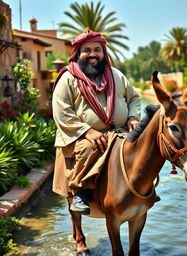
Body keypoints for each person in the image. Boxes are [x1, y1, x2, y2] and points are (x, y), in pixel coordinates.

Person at [52, 30, 141, 215]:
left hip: (118, 130)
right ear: (78, 53)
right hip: (83, 136)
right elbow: (61, 111)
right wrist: (87, 131)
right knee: (88, 148)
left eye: (97, 50)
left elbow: (133, 98)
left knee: (143, 146)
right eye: (87, 50)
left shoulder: (116, 74)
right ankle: (80, 193)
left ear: (103, 53)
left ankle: (143, 190)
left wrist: (133, 117)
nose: (93, 54)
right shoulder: (68, 77)